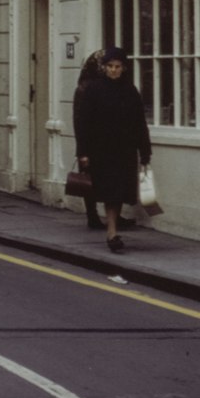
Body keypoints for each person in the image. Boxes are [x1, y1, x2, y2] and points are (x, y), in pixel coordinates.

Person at [74, 45, 152, 254]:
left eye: (118, 66)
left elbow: (139, 123)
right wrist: (83, 153)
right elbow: (84, 124)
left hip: (125, 150)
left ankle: (112, 231)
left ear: (123, 68)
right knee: (111, 192)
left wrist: (145, 151)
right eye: (110, 66)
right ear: (104, 67)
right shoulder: (93, 90)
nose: (114, 70)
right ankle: (112, 232)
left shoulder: (130, 91)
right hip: (102, 150)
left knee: (118, 193)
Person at [71, 50, 104, 230]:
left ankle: (108, 214)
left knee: (105, 180)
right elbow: (79, 121)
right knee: (89, 180)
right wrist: (82, 151)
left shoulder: (100, 86)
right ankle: (92, 216)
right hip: (90, 142)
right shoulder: (83, 89)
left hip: (101, 141)